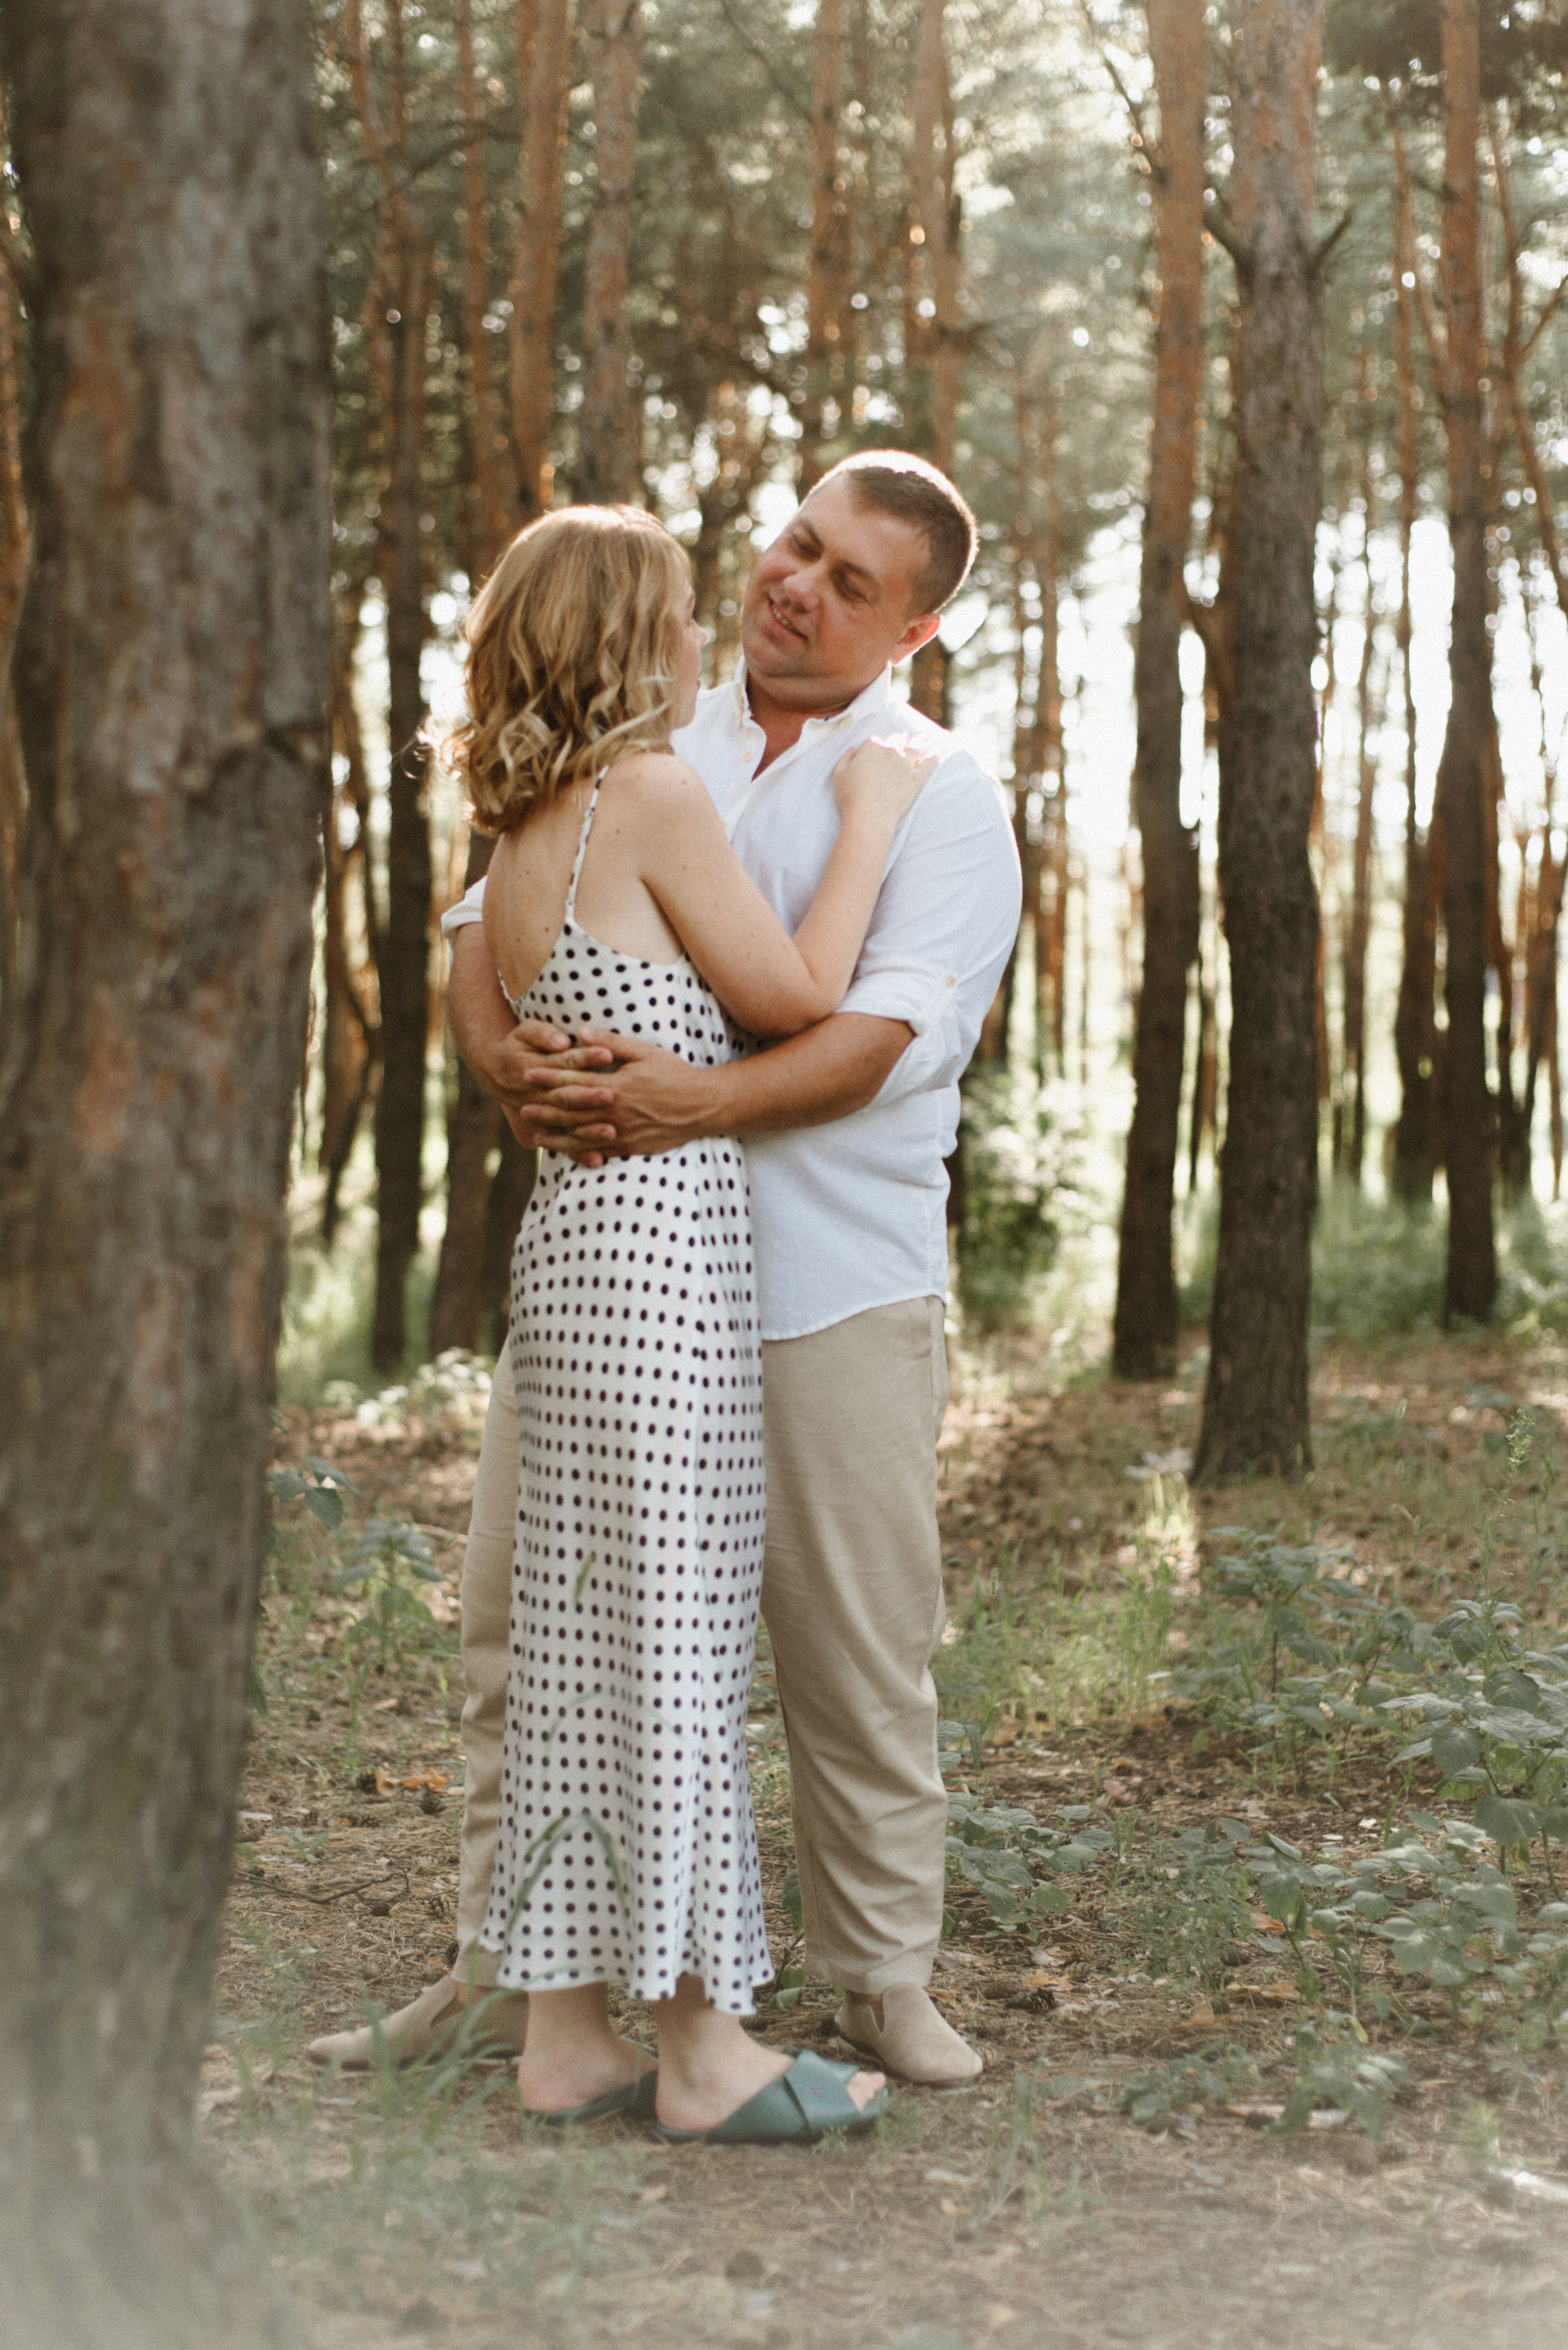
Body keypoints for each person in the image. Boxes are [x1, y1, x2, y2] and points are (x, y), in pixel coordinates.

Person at [308, 451, 1021, 2094]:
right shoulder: (655, 727)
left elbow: (873, 1041)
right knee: (523, 1623)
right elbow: (487, 922)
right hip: (623, 1265)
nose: (797, 585)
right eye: (795, 543)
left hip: (826, 1276)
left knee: (847, 1649)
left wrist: (686, 1099)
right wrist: (502, 1061)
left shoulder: (926, 785)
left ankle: (877, 1975)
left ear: (907, 632)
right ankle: (506, 1972)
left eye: (851, 584)